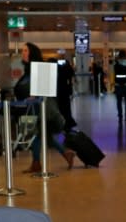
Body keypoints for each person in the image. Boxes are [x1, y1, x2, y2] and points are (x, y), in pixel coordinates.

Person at [13, 42, 75, 173]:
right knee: (44, 135)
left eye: (25, 50)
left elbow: (46, 88)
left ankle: (37, 163)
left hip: (42, 109)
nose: (22, 53)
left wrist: (34, 95)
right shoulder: (28, 70)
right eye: (22, 50)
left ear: (31, 52)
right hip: (34, 108)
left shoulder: (39, 68)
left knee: (39, 133)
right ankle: (63, 153)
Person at [114, 50, 126, 123]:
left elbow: (114, 73)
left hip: (118, 85)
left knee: (119, 101)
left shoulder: (116, 63)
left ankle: (120, 116)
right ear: (125, 55)